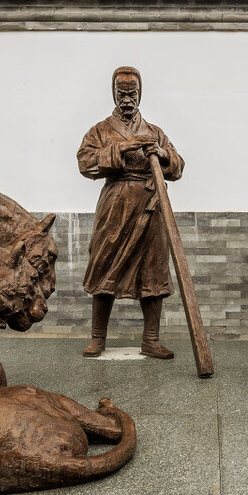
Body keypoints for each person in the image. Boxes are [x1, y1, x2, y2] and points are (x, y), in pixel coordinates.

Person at [77, 66, 184, 359]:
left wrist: (163, 155)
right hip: (116, 205)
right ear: (113, 93)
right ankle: (98, 337)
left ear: (140, 95)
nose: (127, 99)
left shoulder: (155, 132)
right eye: (121, 93)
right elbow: (86, 163)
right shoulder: (99, 131)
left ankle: (151, 339)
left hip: (151, 207)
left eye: (132, 93)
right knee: (104, 265)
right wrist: (124, 147)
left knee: (154, 269)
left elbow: (178, 166)